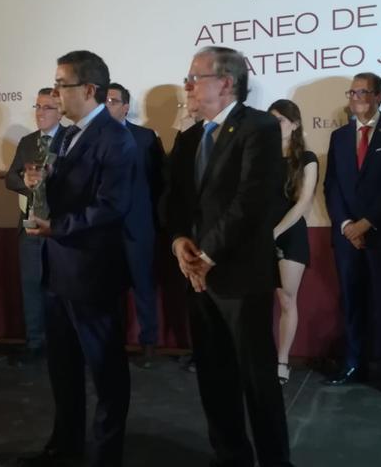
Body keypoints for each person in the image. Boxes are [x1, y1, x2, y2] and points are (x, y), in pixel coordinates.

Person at [165, 46, 293, 467]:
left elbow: (251, 201)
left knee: (257, 380)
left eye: (194, 77)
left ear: (225, 82)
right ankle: (230, 456)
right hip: (197, 278)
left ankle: (275, 460)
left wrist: (206, 254)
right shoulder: (187, 136)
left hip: (239, 277)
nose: (187, 85)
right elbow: (175, 201)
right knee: (214, 377)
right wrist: (180, 240)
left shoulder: (259, 127)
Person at [19, 50, 135, 467]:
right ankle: (64, 444)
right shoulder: (67, 136)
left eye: (60, 85)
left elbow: (110, 206)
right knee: (63, 368)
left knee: (106, 372)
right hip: (58, 269)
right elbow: (68, 192)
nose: (54, 93)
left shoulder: (115, 137)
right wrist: (41, 184)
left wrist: (57, 228)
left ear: (88, 89)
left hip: (92, 273)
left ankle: (106, 454)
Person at [322, 73, 381, 392]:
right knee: (352, 300)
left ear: (379, 95)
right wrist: (346, 225)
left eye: (364, 91)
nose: (356, 97)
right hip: (347, 239)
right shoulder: (340, 136)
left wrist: (367, 222)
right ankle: (353, 362)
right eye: (353, 91)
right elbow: (332, 187)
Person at [105, 82, 166, 368]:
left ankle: (149, 343)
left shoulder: (146, 138)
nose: (108, 106)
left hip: (139, 226)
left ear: (126, 107)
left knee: (143, 287)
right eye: (104, 100)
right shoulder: (90, 139)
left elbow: (159, 183)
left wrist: (153, 221)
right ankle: (111, 343)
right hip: (103, 229)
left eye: (114, 101)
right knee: (108, 290)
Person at [5, 88, 65, 365]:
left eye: (48, 107)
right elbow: (10, 178)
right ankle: (35, 342)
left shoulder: (71, 138)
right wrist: (25, 183)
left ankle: (62, 344)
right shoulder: (27, 142)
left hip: (58, 228)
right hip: (28, 225)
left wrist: (51, 180)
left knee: (59, 288)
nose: (41, 112)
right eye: (38, 106)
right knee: (31, 286)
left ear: (61, 110)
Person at [267, 99, 317, 385]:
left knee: (286, 298)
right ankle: (260, 356)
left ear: (295, 124)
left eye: (281, 120)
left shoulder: (306, 158)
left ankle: (282, 360)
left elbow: (302, 203)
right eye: (271, 119)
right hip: (260, 232)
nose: (275, 125)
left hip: (289, 232)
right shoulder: (260, 155)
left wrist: (274, 233)